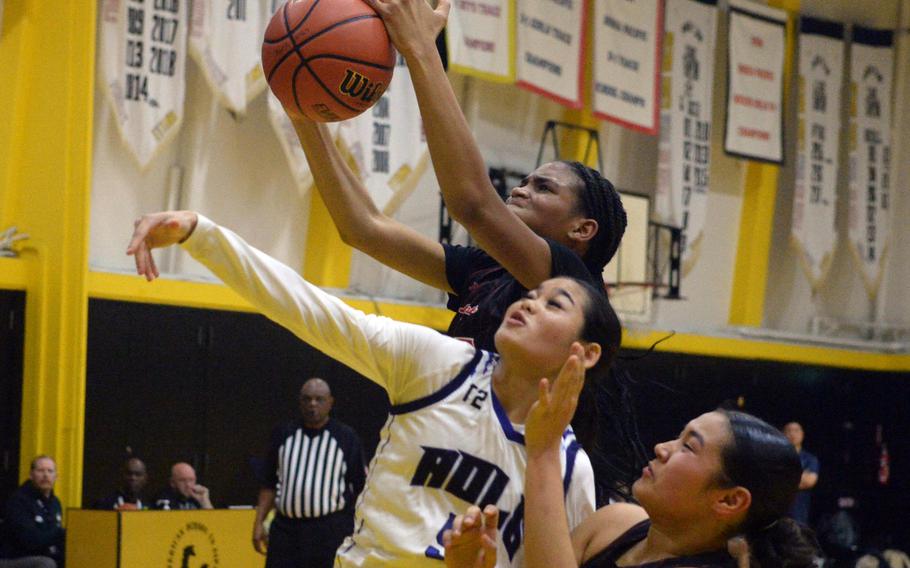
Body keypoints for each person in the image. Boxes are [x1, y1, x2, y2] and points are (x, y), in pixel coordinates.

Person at [127, 210, 633, 566]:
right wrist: (201, 233)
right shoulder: (439, 362)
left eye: (554, 304)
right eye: (531, 294)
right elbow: (311, 310)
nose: (528, 303)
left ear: (586, 353)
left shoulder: (569, 470)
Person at [287, 0, 625, 354]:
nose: (521, 189)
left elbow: (473, 204)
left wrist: (420, 47)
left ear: (582, 229)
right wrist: (301, 113)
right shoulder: (485, 270)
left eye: (544, 188)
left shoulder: (573, 284)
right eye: (525, 181)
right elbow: (363, 227)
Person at [444, 363, 820, 568]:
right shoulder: (616, 522)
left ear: (729, 501)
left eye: (689, 447)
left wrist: (543, 451)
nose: (661, 448)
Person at [253, 378, 366, 568]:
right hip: (286, 531)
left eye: (319, 399)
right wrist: (258, 524)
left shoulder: (346, 438)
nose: (312, 404)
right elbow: (269, 484)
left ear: (330, 402)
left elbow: (361, 488)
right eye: (307, 399)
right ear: (300, 402)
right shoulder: (283, 434)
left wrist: (357, 530)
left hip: (329, 532)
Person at [0, 456, 64, 568]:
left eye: (50, 471)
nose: (46, 475)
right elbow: (31, 541)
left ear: (56, 477)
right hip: (15, 558)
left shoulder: (55, 503)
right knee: (46, 564)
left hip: (45, 554)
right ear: (31, 475)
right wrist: (60, 533)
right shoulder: (18, 501)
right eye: (40, 470)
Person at [783, 421, 819, 525]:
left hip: (799, 513)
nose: (792, 434)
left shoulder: (810, 459)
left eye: (796, 431)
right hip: (778, 512)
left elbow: (809, 481)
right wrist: (800, 475)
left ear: (802, 435)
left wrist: (784, 478)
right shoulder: (776, 457)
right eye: (789, 431)